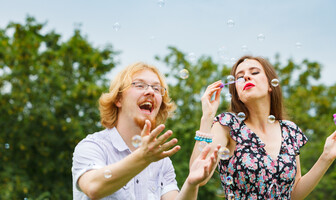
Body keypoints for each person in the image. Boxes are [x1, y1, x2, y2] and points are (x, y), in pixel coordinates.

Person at [190, 55, 336, 199]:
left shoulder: (289, 131)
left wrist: (326, 157)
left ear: (270, 85)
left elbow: (293, 194)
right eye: (240, 77)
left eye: (254, 72)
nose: (246, 77)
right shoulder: (228, 125)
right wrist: (207, 118)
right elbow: (198, 177)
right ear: (238, 95)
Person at [72, 62, 218, 200]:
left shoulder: (161, 161)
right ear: (118, 99)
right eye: (140, 85)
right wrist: (143, 157)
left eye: (156, 88)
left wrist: (191, 184)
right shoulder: (93, 146)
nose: (150, 92)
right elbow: (93, 188)